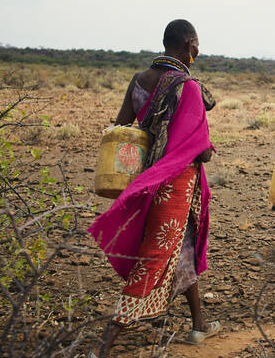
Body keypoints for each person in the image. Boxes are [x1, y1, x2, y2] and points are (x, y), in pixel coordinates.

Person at [88, 20, 219, 357]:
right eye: (198, 45)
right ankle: (106, 342)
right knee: (155, 256)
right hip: (174, 183)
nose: (199, 51)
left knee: (183, 246)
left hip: (145, 178)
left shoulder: (139, 80)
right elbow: (201, 149)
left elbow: (121, 126)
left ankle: (199, 325)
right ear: (189, 44)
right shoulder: (187, 88)